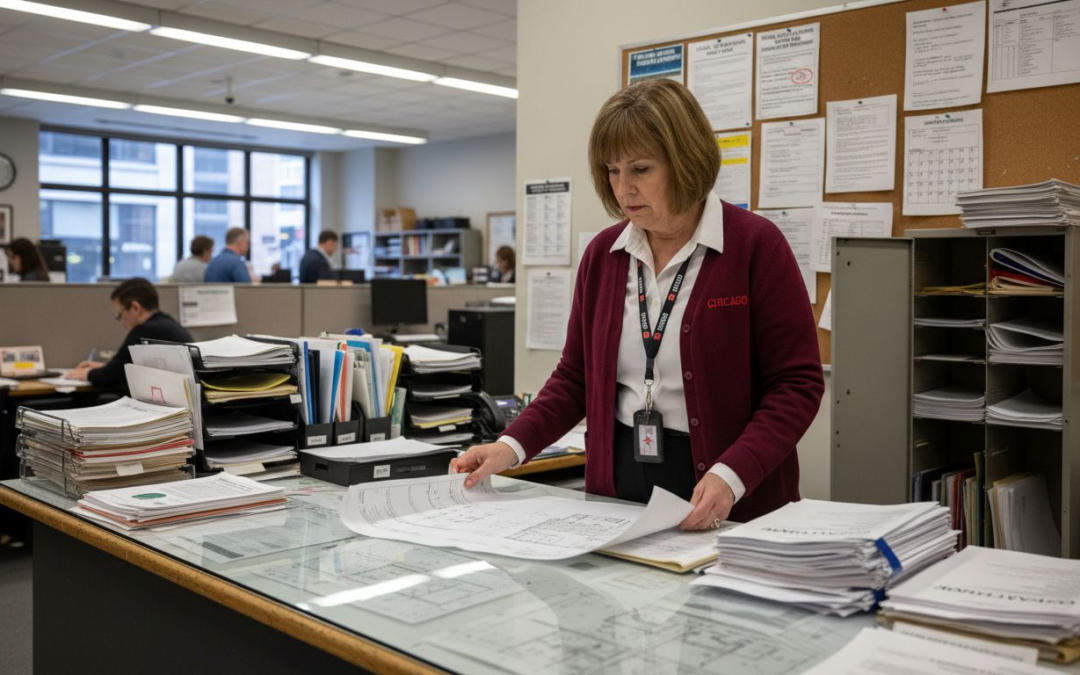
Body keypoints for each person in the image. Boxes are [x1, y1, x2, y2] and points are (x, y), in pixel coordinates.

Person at [451, 79, 823, 530]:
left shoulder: (755, 246)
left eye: (641, 169)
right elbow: (574, 377)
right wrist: (510, 446)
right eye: (612, 171)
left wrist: (732, 474)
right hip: (619, 483)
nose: (623, 188)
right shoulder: (604, 255)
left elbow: (796, 385)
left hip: (726, 489)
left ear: (686, 161)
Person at [65, 278, 193, 391]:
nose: (120, 322)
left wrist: (86, 374)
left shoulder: (145, 330)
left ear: (135, 308)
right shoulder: (166, 324)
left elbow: (112, 376)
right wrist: (105, 366)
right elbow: (124, 367)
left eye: (119, 314)